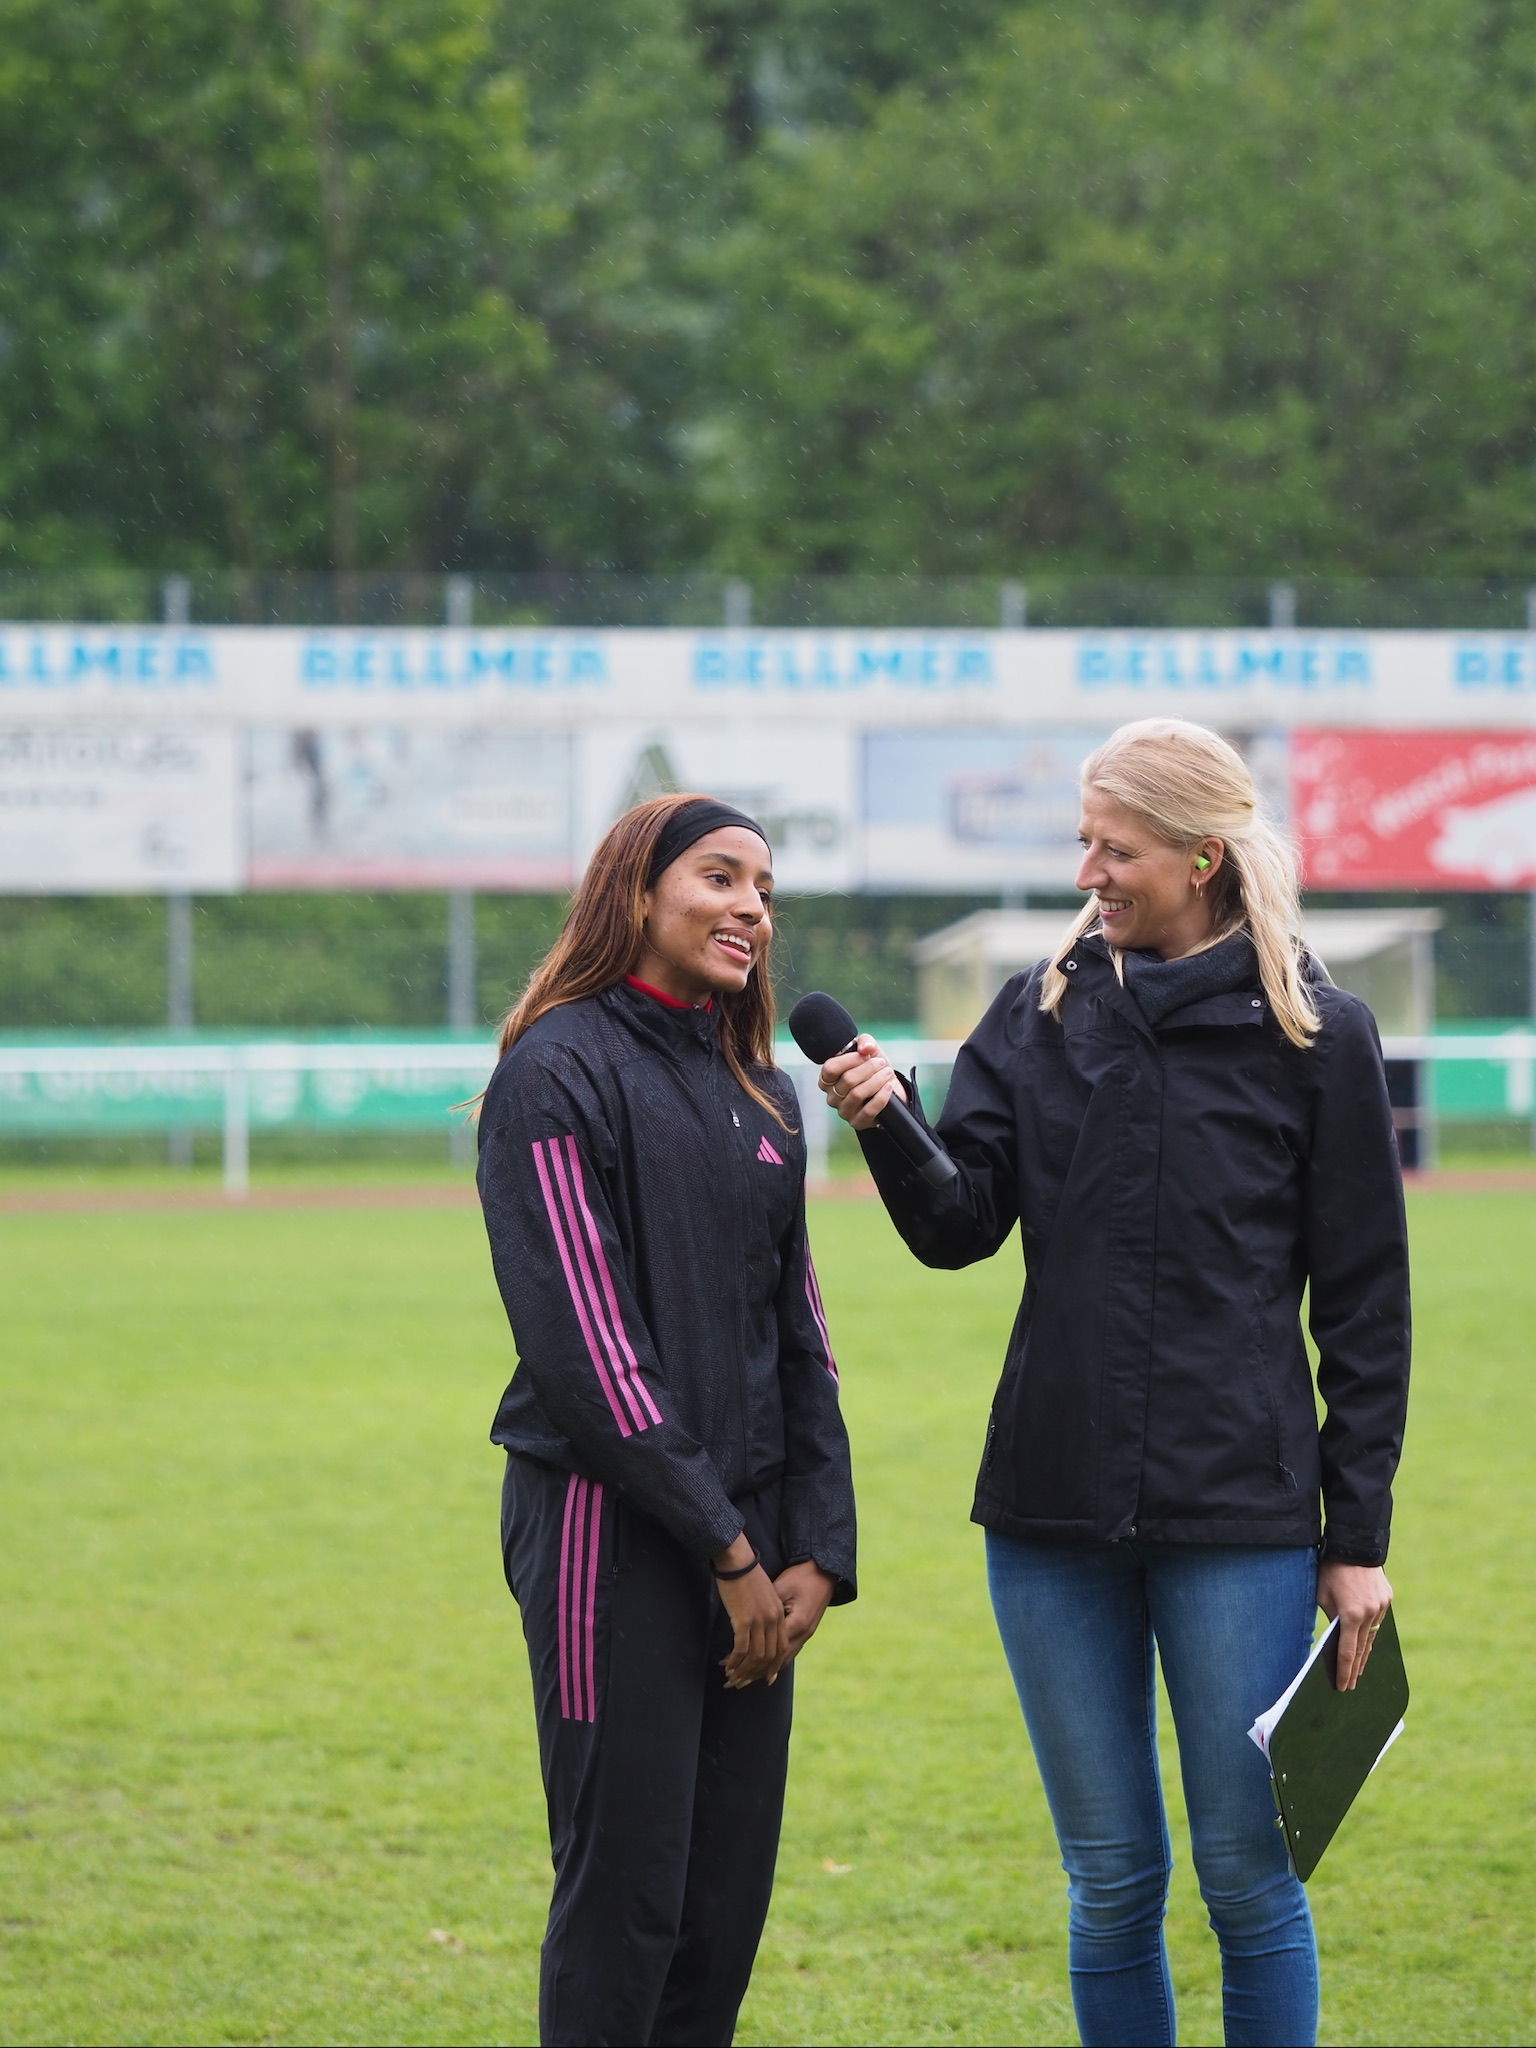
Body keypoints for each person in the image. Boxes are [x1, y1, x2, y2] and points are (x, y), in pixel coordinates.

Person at [820, 718, 1409, 2048]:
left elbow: (1367, 1307)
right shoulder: (1037, 1014)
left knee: (1250, 1882)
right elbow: (961, 1227)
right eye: (1084, 841)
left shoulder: (1319, 1034)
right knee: (1110, 1882)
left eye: (1116, 848)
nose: (1088, 872)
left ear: (1201, 856)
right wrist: (890, 1123)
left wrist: (1357, 1539)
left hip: (1240, 1517)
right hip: (1049, 1512)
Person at [476, 793, 855, 2048]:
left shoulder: (763, 1087)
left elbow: (801, 1338)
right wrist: (725, 1548)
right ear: (636, 892)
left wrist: (815, 1547)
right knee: (627, 1902)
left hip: (755, 1549)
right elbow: (588, 1352)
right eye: (720, 876)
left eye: (765, 887)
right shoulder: (555, 1069)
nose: (751, 906)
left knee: (718, 1912)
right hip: (610, 1532)